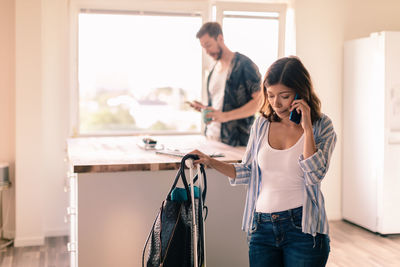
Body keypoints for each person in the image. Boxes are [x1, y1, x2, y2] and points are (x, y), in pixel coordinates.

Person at [190, 56, 337, 267]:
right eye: (270, 95)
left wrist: (306, 129)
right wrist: (210, 161)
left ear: (300, 93)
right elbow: (247, 171)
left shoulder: (322, 126)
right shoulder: (261, 125)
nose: (276, 103)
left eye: (284, 96)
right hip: (262, 228)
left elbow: (315, 175)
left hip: (304, 230)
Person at [189, 22, 262, 146]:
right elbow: (220, 103)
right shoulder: (213, 69)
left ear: (220, 38)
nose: (207, 51)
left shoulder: (244, 65)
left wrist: (225, 116)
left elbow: (260, 101)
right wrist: (205, 108)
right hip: (212, 137)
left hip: (237, 142)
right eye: (203, 47)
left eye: (208, 45)